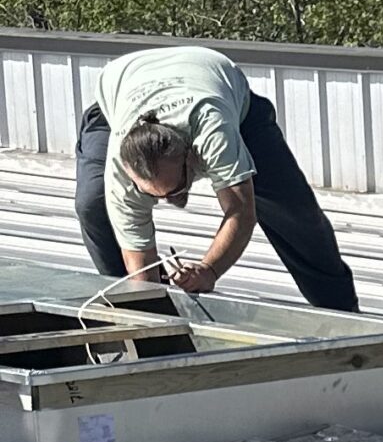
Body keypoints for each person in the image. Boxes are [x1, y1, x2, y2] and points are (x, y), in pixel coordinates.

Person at [74, 44, 359, 310]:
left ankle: (342, 312)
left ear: (192, 156)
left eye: (175, 190)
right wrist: (150, 312)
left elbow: (240, 212)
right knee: (92, 204)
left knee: (295, 213)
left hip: (222, 95)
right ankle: (125, 307)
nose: (169, 201)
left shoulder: (212, 132)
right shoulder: (121, 166)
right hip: (118, 97)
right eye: (152, 195)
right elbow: (138, 259)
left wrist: (208, 270)